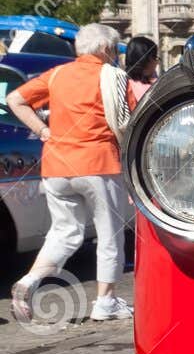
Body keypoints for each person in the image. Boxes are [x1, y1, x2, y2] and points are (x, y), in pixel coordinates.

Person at [6, 23, 132, 322]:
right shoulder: (113, 77)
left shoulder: (57, 74)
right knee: (109, 235)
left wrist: (42, 130)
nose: (115, 56)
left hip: (57, 165)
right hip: (99, 163)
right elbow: (132, 121)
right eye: (114, 50)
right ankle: (106, 301)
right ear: (105, 50)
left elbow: (15, 100)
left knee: (64, 232)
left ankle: (28, 283)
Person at [123, 35, 159, 106]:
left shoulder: (122, 84)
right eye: (155, 57)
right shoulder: (155, 89)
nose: (157, 62)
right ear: (148, 59)